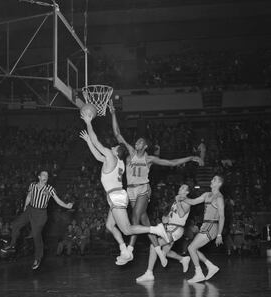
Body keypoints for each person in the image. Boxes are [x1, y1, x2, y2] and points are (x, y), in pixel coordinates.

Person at [109, 100, 202, 265]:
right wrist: (113, 113)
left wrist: (190, 157)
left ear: (145, 146)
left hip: (143, 189)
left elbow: (171, 162)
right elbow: (117, 133)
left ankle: (129, 250)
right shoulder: (130, 152)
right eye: (136, 141)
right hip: (130, 190)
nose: (136, 142)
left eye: (140, 142)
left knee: (135, 216)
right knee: (145, 221)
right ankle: (159, 250)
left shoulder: (149, 159)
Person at [79, 111, 170, 262]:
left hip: (116, 196)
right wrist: (88, 140)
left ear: (115, 152)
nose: (111, 147)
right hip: (116, 195)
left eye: (113, 147)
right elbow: (96, 155)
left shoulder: (110, 155)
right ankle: (124, 249)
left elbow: (97, 143)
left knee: (127, 230)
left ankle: (155, 229)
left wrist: (88, 123)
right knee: (109, 225)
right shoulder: (117, 161)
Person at [1, 171, 73, 270]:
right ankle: (12, 245)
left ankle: (38, 258)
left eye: (47, 175)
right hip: (30, 210)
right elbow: (29, 196)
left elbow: (58, 200)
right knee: (15, 225)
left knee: (36, 235)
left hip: (41, 214)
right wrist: (25, 207)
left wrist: (66, 205)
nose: (46, 177)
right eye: (44, 175)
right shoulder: (32, 185)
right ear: (39, 177)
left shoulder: (50, 189)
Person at [136, 184, 192, 282]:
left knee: (154, 244)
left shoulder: (187, 202)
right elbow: (173, 215)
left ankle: (149, 273)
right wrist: (166, 218)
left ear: (187, 192)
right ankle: (183, 259)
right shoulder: (176, 201)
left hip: (176, 229)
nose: (180, 188)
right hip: (169, 227)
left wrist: (178, 200)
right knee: (165, 253)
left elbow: (181, 214)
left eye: (183, 188)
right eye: (180, 187)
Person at [182, 175, 225, 283]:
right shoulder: (207, 194)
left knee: (191, 248)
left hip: (212, 226)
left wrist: (219, 234)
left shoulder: (219, 198)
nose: (211, 181)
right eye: (212, 179)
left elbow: (222, 216)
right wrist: (183, 197)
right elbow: (193, 202)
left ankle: (199, 274)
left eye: (214, 180)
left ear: (219, 184)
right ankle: (210, 266)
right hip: (206, 225)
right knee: (194, 248)